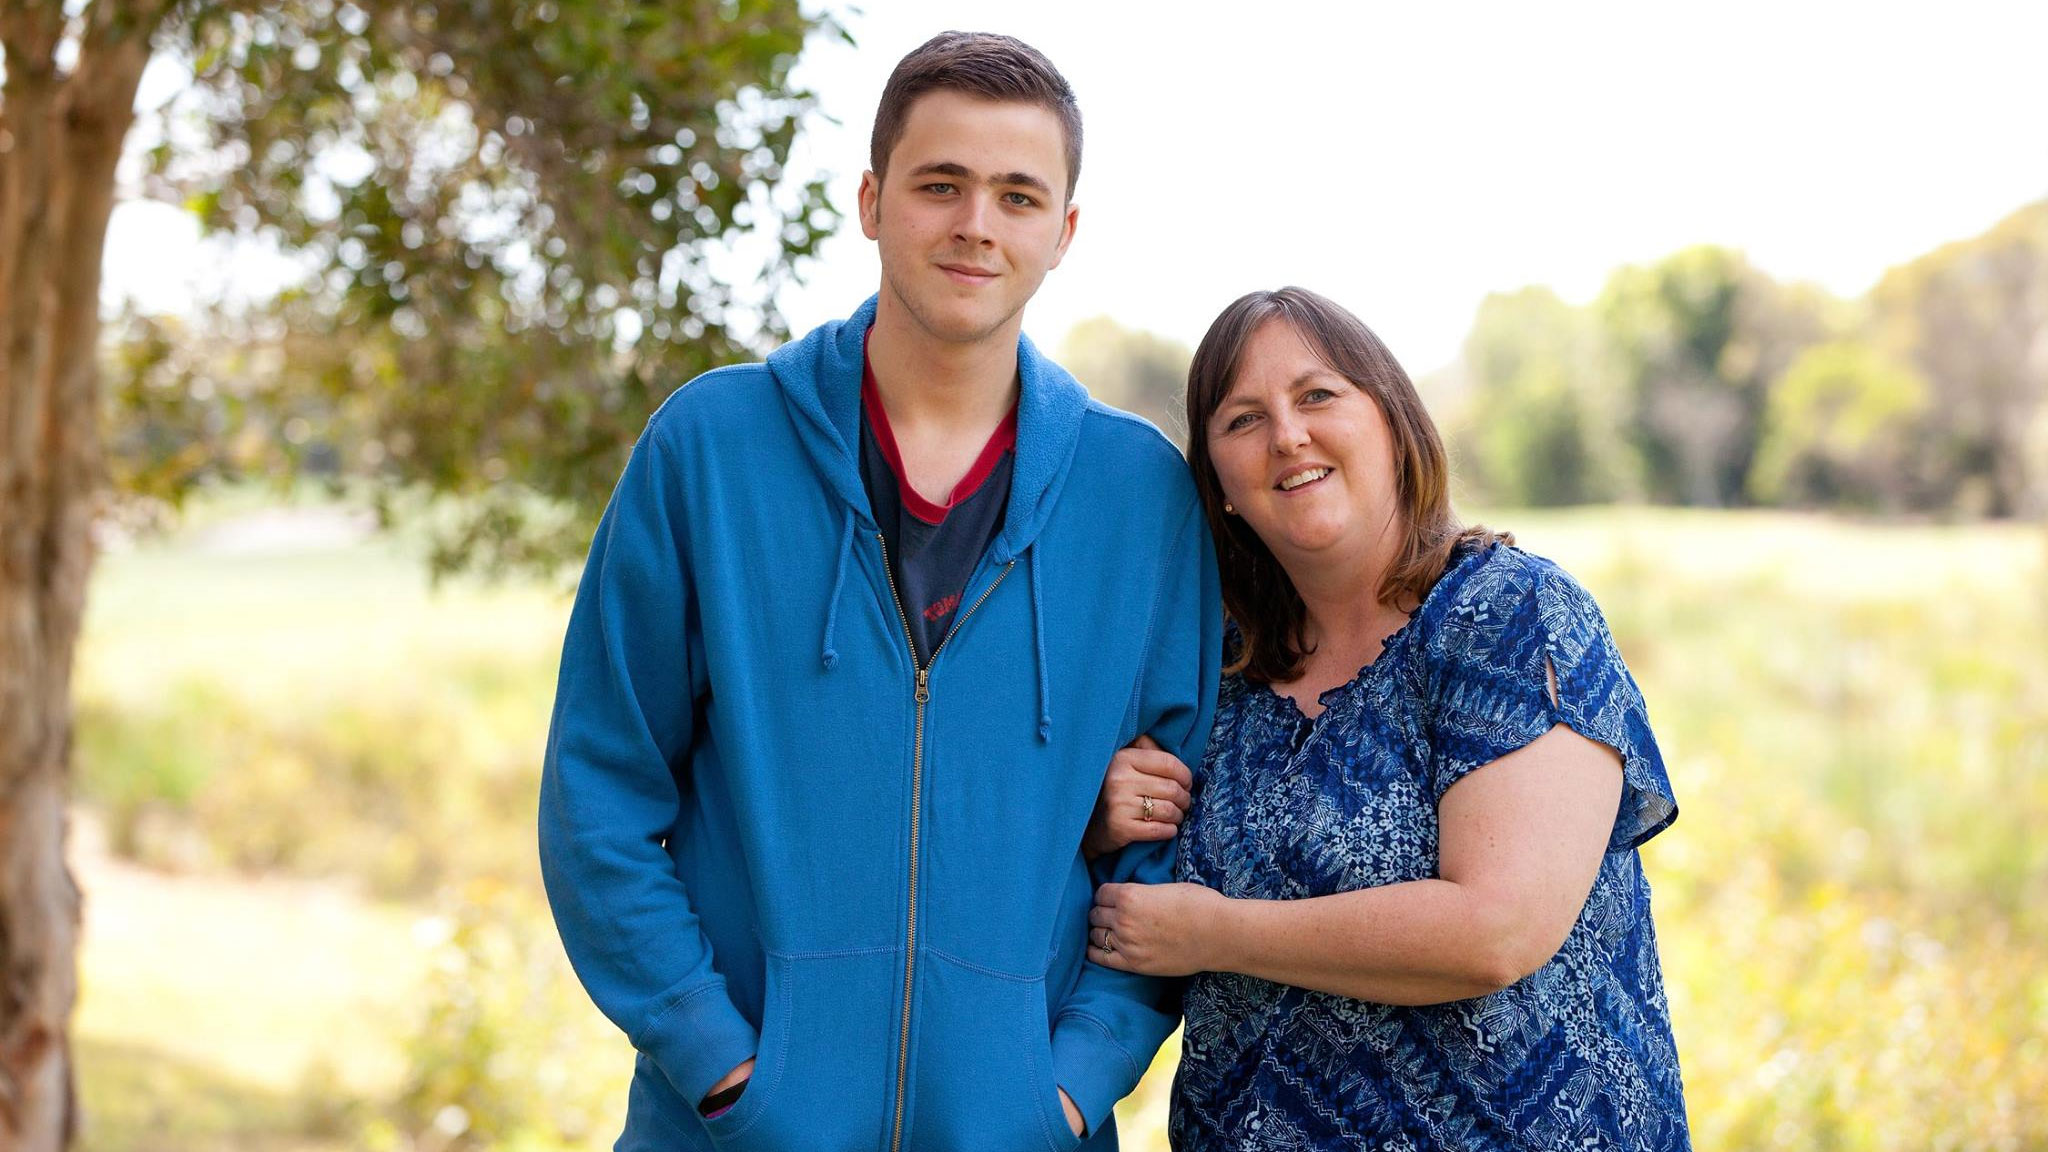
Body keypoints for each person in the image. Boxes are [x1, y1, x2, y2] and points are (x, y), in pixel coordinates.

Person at [538, 32, 1220, 1152]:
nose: (975, 225)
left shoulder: (1137, 495)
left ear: (1064, 232)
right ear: (869, 200)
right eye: (938, 185)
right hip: (729, 1130)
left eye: (1016, 195)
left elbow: (1173, 840)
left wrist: (1061, 1089)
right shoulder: (710, 452)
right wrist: (719, 1066)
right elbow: (598, 794)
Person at [1083, 287, 1689, 1150]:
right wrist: (1104, 818)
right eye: (1244, 419)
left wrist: (1219, 933)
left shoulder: (1510, 617)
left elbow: (1496, 929)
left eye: (1318, 395)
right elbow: (1123, 882)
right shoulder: (1215, 667)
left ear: (1394, 422)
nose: (1288, 435)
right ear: (1215, 485)